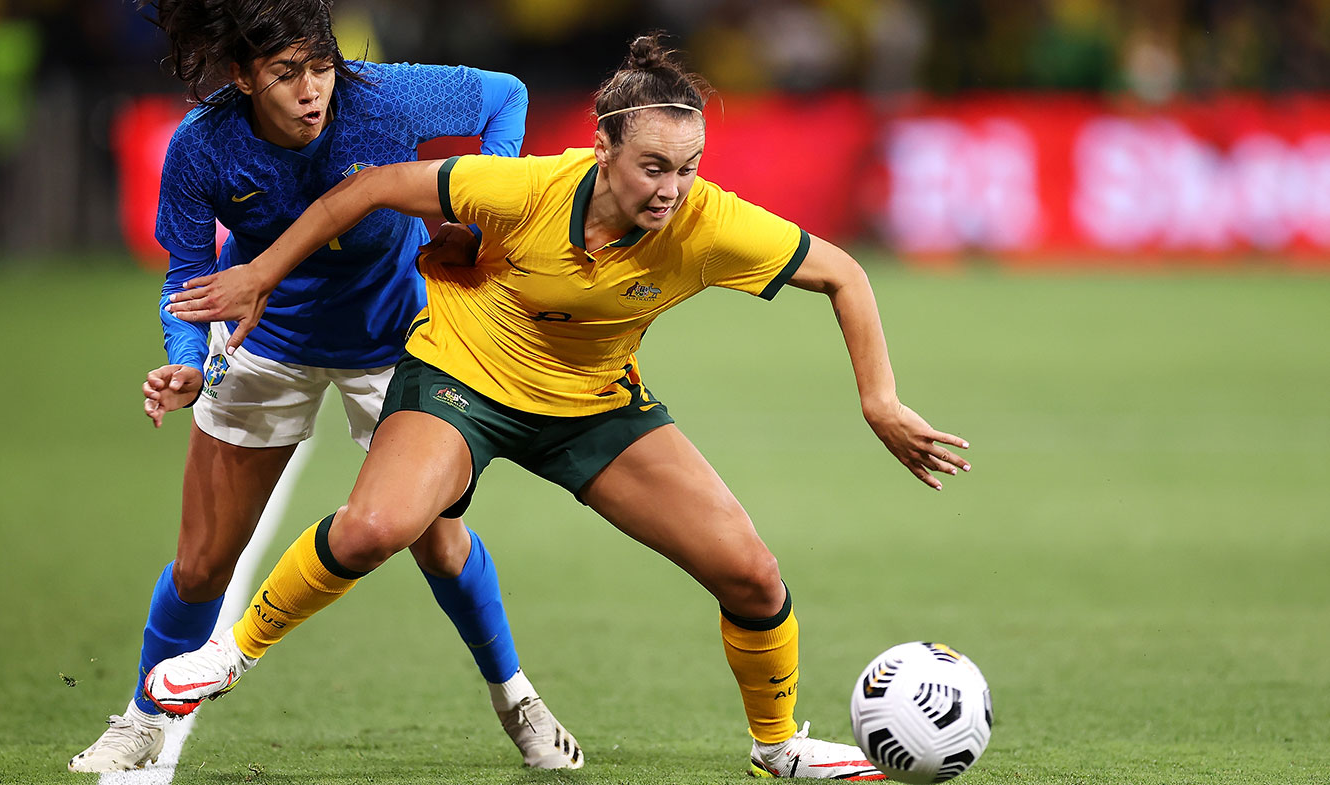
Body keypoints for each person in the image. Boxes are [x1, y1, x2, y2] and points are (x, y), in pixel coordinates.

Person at [148, 34, 971, 780]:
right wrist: (258, 275)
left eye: (688, 167)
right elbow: (365, 191)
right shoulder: (526, 186)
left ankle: (778, 744)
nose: (675, 189)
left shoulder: (710, 223)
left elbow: (845, 275)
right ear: (602, 146)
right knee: (374, 528)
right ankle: (228, 653)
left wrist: (881, 401)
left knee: (753, 576)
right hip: (461, 381)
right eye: (655, 166)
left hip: (592, 406)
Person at [69, 0, 583, 773]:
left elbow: (505, 94)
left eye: (320, 66)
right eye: (286, 74)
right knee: (204, 564)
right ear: (243, 76)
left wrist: (478, 211)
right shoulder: (202, 147)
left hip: (398, 340)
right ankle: (142, 715)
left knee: (438, 543)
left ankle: (516, 697)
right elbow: (187, 273)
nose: (313, 90)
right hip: (265, 344)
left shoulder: (381, 96)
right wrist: (182, 357)